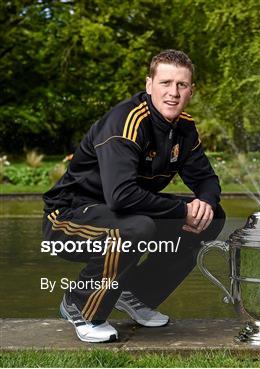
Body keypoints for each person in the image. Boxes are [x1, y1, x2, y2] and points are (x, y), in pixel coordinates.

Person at [42, 49, 225, 343]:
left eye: (182, 85)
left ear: (192, 90)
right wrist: (182, 211)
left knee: (211, 218)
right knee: (137, 228)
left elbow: (206, 180)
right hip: (68, 219)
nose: (173, 93)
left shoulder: (185, 128)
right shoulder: (126, 122)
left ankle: (135, 294)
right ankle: (80, 304)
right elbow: (121, 196)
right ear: (149, 84)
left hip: (123, 214)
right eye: (165, 83)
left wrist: (205, 202)